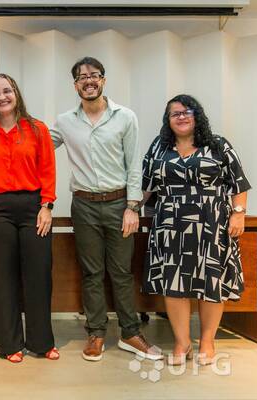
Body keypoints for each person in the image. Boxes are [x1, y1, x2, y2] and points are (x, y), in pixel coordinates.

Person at [50, 56, 162, 362]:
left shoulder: (125, 117)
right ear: (75, 85)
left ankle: (130, 333)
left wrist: (132, 207)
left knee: (121, 272)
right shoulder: (65, 122)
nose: (89, 80)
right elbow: (38, 147)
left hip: (118, 204)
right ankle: (96, 333)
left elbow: (134, 164)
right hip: (83, 205)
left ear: (103, 80)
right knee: (92, 273)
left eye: (94, 75)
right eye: (82, 77)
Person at [141, 94, 251, 366]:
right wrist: (131, 208)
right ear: (168, 120)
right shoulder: (159, 147)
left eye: (186, 112)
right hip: (170, 226)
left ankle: (207, 342)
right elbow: (144, 186)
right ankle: (182, 343)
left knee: (211, 281)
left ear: (196, 115)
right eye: (175, 113)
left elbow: (238, 183)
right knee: (174, 283)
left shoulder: (218, 145)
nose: (181, 117)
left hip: (211, 224)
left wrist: (238, 214)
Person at [0, 73, 58, 363]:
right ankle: (8, 343)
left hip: (33, 207)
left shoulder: (37, 129)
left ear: (16, 93)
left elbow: (47, 168)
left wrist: (46, 206)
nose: (2, 97)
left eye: (6, 91)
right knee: (3, 278)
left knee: (38, 275)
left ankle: (42, 342)